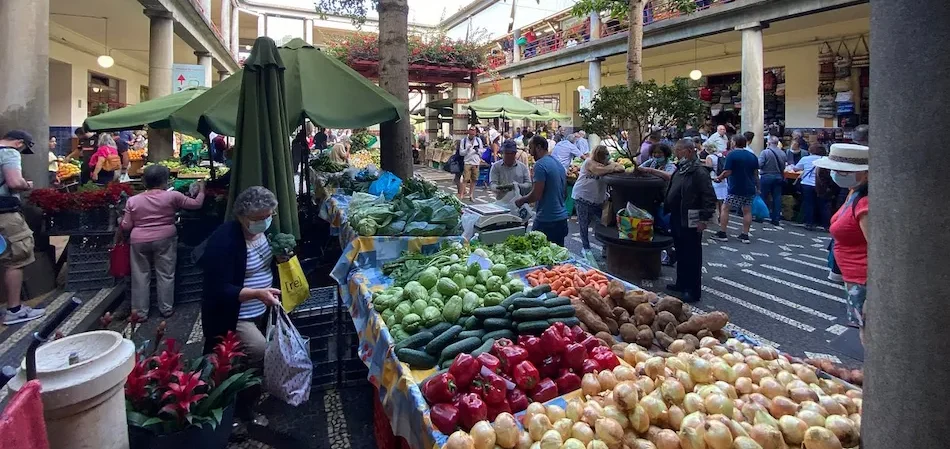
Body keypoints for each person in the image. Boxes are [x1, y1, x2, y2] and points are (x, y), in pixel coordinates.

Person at [199, 186, 282, 362]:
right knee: (260, 350)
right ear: (242, 217)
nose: (266, 221)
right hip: (236, 314)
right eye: (260, 218)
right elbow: (218, 289)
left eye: (269, 216)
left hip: (263, 307)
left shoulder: (262, 233)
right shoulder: (224, 241)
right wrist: (257, 293)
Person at [121, 165, 206, 319]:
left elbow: (126, 225)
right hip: (165, 239)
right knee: (166, 274)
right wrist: (202, 191)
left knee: (140, 276)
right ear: (165, 181)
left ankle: (140, 313)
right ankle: (166, 309)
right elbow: (196, 205)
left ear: (144, 181)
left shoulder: (133, 201)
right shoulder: (172, 196)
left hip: (138, 240)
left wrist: (122, 220)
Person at [815, 144, 869, 341]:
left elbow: (877, 248)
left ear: (865, 174)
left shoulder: (864, 203)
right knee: (862, 329)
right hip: (853, 276)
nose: (837, 174)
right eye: (835, 170)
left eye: (843, 171)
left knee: (867, 332)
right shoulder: (853, 192)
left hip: (863, 279)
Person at [664, 139, 717, 303]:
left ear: (688, 151)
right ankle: (681, 283)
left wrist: (704, 218)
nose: (676, 153)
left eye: (678, 150)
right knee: (680, 251)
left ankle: (692, 290)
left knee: (692, 254)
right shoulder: (682, 168)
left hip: (691, 217)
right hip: (677, 216)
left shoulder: (698, 171)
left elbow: (708, 196)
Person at [0, 131, 43, 325]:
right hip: (5, 213)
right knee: (16, 258)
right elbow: (14, 182)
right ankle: (14, 310)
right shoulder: (9, 153)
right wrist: (27, 184)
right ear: (19, 143)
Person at [571, 145, 625, 255]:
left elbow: (621, 168)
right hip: (583, 197)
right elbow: (598, 171)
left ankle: (605, 247)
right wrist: (611, 167)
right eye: (604, 155)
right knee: (584, 224)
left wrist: (610, 166)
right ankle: (586, 248)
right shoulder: (588, 162)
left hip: (598, 200)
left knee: (603, 224)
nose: (606, 157)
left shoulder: (607, 163)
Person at [516, 136, 568, 246]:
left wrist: (522, 200)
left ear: (539, 147)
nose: (530, 152)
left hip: (546, 220)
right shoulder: (558, 164)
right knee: (558, 259)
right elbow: (565, 193)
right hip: (561, 219)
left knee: (538, 255)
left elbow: (536, 194)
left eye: (531, 148)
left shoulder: (540, 165)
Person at [713, 135, 758, 244]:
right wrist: (758, 187)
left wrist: (719, 178)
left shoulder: (731, 155)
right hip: (750, 187)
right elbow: (755, 174)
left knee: (725, 208)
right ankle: (745, 234)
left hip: (735, 187)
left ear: (734, 143)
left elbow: (727, 171)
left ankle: (723, 233)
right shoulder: (752, 156)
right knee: (747, 211)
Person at [793, 144, 828, 231]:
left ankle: (809, 223)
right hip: (820, 184)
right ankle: (826, 225)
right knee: (823, 205)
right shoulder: (825, 160)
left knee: (809, 204)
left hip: (807, 184)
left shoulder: (805, 159)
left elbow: (796, 169)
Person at [758, 135, 787, 226]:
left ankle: (760, 216)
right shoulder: (783, 153)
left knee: (762, 196)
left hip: (766, 176)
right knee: (777, 197)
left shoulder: (765, 152)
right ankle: (776, 218)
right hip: (778, 177)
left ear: (769, 143)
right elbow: (784, 166)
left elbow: (759, 164)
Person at [458, 126, 484, 201]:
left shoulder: (478, 140)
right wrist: (467, 149)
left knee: (474, 179)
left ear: (475, 132)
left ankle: (471, 195)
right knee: (465, 179)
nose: (472, 133)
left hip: (476, 162)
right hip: (467, 162)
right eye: (471, 131)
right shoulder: (464, 141)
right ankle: (462, 194)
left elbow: (482, 151)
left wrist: (477, 150)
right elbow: (461, 153)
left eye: (474, 131)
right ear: (468, 132)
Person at [703, 140, 728, 209]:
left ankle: (718, 216)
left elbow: (708, 169)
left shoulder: (709, 157)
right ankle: (723, 215)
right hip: (722, 180)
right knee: (723, 201)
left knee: (716, 202)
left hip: (714, 180)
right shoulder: (721, 155)